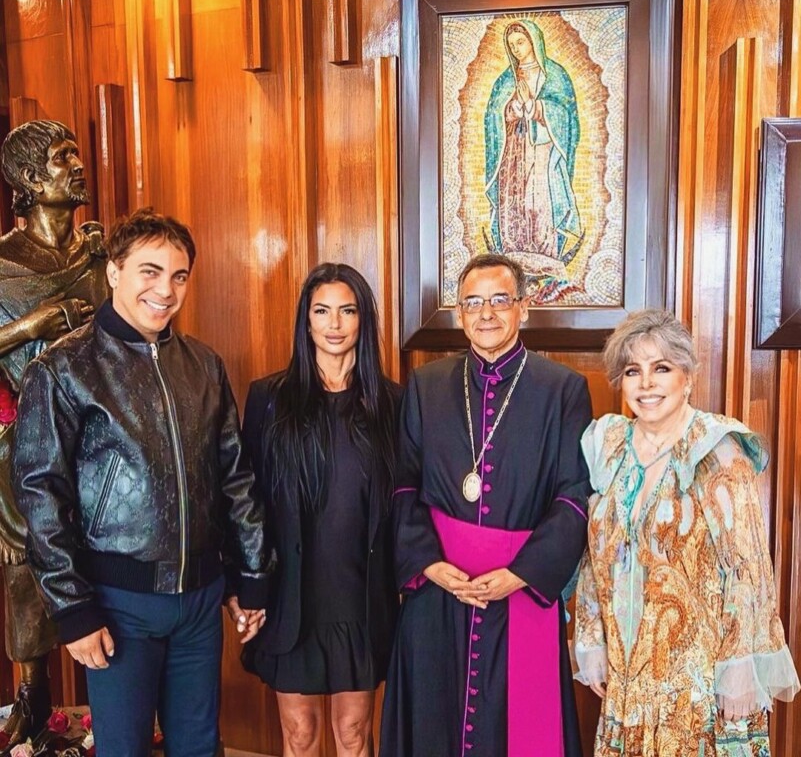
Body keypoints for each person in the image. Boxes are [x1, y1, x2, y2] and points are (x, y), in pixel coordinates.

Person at [11, 208, 268, 757]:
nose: (165, 290)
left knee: (200, 747)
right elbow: (40, 496)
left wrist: (250, 575)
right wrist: (72, 609)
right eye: (150, 272)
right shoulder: (63, 369)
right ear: (114, 271)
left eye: (179, 276)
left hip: (200, 601)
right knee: (124, 749)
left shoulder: (203, 365)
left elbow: (234, 476)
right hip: (118, 604)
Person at [380, 253, 592, 757]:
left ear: (524, 307)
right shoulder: (427, 385)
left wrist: (522, 573)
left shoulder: (562, 389)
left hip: (520, 590)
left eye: (500, 300)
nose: (486, 313)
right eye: (473, 303)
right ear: (459, 314)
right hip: (440, 591)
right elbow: (404, 484)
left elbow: (575, 495)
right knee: (433, 725)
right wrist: (429, 564)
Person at [574, 309, 800, 755]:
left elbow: (748, 566)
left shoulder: (717, 448)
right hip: (628, 675)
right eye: (633, 371)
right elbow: (595, 551)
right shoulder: (610, 445)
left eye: (661, 368)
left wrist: (739, 666)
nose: (646, 383)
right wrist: (590, 636)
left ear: (688, 377)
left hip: (700, 678)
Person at [237, 263, 400, 757]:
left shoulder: (391, 403)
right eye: (321, 311)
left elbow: (407, 504)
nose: (334, 324)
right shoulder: (269, 398)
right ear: (305, 321)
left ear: (363, 320)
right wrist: (243, 585)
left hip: (361, 594)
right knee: (300, 733)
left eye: (347, 311)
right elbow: (244, 499)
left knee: (353, 732)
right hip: (292, 595)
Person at [0, 120, 107, 747]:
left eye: (75, 153)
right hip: (24, 443)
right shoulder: (3, 263)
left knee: (105, 558)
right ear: (30, 178)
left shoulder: (101, 255)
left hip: (101, 439)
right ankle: (31, 696)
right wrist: (33, 325)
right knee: (25, 569)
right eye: (63, 157)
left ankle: (114, 700)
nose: (77, 165)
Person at [484, 20, 583, 289]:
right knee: (514, 198)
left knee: (538, 199)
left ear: (534, 41)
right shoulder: (506, 80)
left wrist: (537, 107)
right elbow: (492, 117)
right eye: (512, 44)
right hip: (513, 150)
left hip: (542, 149)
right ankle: (514, 249)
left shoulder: (555, 75)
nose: (516, 49)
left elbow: (566, 116)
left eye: (521, 42)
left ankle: (544, 252)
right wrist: (509, 111)